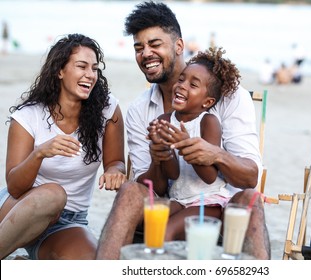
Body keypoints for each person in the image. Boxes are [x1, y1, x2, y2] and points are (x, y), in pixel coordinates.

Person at [96, 1, 270, 260]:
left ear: (179, 46)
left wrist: (214, 154)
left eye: (155, 44)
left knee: (250, 203)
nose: (145, 54)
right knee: (130, 192)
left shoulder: (230, 97)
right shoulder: (141, 110)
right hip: (174, 203)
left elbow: (249, 177)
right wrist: (160, 156)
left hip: (221, 204)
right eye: (139, 48)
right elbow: (155, 186)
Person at [0, 33, 126, 260]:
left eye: (95, 68)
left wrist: (114, 171)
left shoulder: (107, 110)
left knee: (91, 262)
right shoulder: (28, 116)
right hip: (20, 209)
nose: (90, 75)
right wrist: (39, 154)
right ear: (60, 71)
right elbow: (15, 187)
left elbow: (116, 162)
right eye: (82, 66)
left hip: (68, 221)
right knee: (53, 194)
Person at [148, 47, 241, 240]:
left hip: (207, 201)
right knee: (151, 223)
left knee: (165, 232)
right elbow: (172, 174)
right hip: (179, 198)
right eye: (181, 79)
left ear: (207, 102)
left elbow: (209, 176)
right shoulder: (166, 119)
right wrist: (162, 149)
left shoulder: (208, 122)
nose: (182, 85)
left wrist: (185, 145)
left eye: (193, 84)